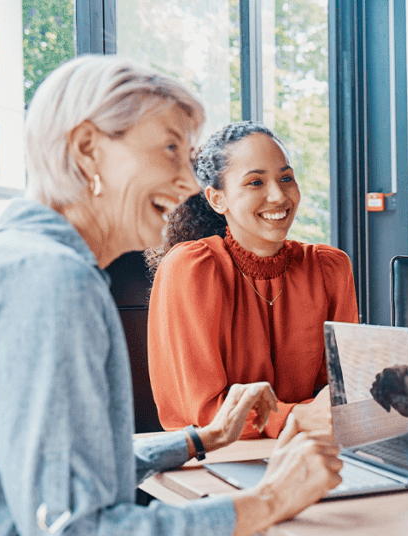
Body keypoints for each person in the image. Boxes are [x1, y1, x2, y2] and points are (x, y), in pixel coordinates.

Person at [0, 56, 342, 536]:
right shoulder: (51, 278)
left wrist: (201, 439)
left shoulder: (24, 260)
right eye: (168, 150)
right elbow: (76, 528)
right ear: (87, 149)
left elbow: (61, 470)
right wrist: (268, 500)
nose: (187, 184)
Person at [146, 121, 359, 439]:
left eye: (286, 178)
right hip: (213, 458)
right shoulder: (192, 268)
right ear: (218, 199)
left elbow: (343, 389)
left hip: (308, 448)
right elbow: (204, 412)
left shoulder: (330, 267)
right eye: (255, 182)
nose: (278, 195)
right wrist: (296, 417)